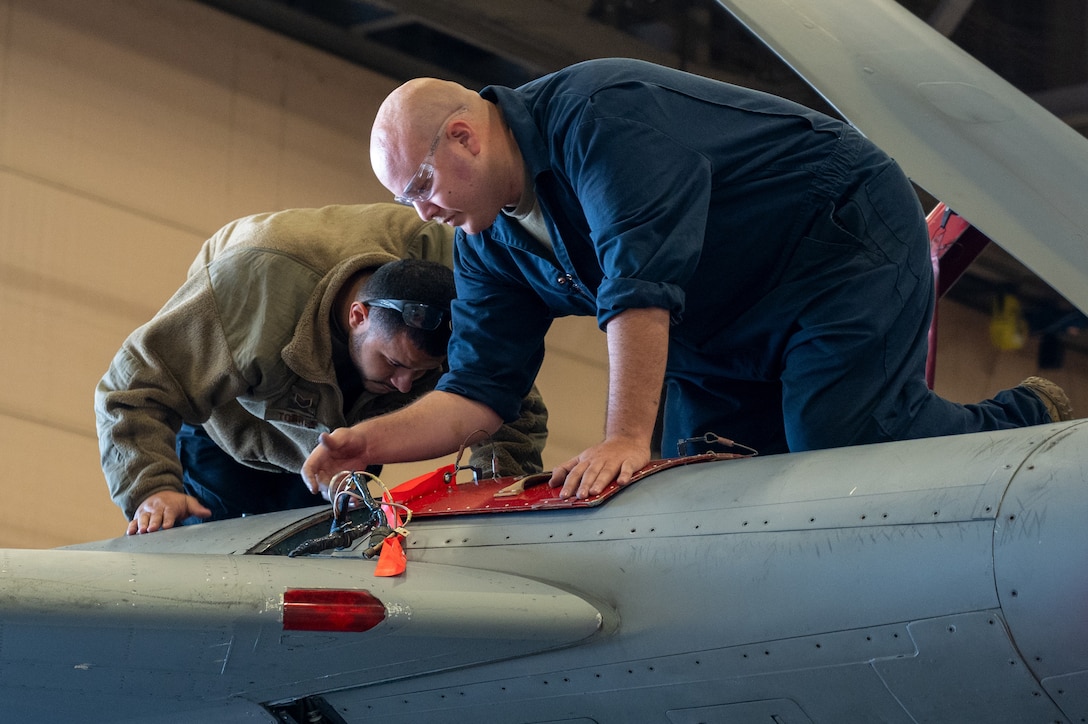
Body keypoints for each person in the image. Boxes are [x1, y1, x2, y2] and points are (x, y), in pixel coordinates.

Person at [303, 57, 1072, 502]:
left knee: (838, 443)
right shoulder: (489, 241)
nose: (425, 212)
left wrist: (624, 437)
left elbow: (640, 285)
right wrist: (365, 442)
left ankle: (1020, 421)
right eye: (410, 201)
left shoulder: (597, 118)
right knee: (687, 490)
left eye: (422, 186)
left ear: (464, 136)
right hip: (720, 322)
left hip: (836, 246)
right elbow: (476, 396)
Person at [96, 203, 548, 535]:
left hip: (343, 456)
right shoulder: (250, 293)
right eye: (394, 363)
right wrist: (151, 489)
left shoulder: (469, 290)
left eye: (423, 373)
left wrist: (496, 492)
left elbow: (508, 401)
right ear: (358, 315)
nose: (405, 383)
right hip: (235, 429)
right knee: (207, 556)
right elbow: (132, 388)